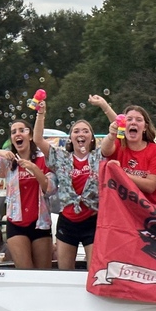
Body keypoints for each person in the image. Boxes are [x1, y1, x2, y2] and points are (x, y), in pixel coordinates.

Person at [34, 97, 111, 270]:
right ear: (71, 138)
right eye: (76, 131)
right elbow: (38, 139)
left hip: (93, 220)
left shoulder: (99, 155)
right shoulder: (61, 157)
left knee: (94, 272)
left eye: (85, 131)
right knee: (65, 272)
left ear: (92, 138)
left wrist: (104, 106)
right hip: (67, 222)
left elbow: (115, 132)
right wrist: (41, 113)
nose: (81, 134)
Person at [0, 120, 51, 269]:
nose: (18, 134)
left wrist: (34, 168)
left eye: (22, 130)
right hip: (16, 222)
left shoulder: (42, 159)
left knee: (43, 273)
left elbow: (49, 188)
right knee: (25, 271)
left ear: (31, 136)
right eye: (14, 132)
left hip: (40, 222)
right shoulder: (8, 162)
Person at [100, 105, 156, 205]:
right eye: (129, 119)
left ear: (145, 127)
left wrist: (119, 173)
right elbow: (105, 151)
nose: (133, 122)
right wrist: (111, 136)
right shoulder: (118, 144)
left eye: (139, 120)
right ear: (123, 125)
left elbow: (150, 186)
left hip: (149, 211)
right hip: (122, 210)